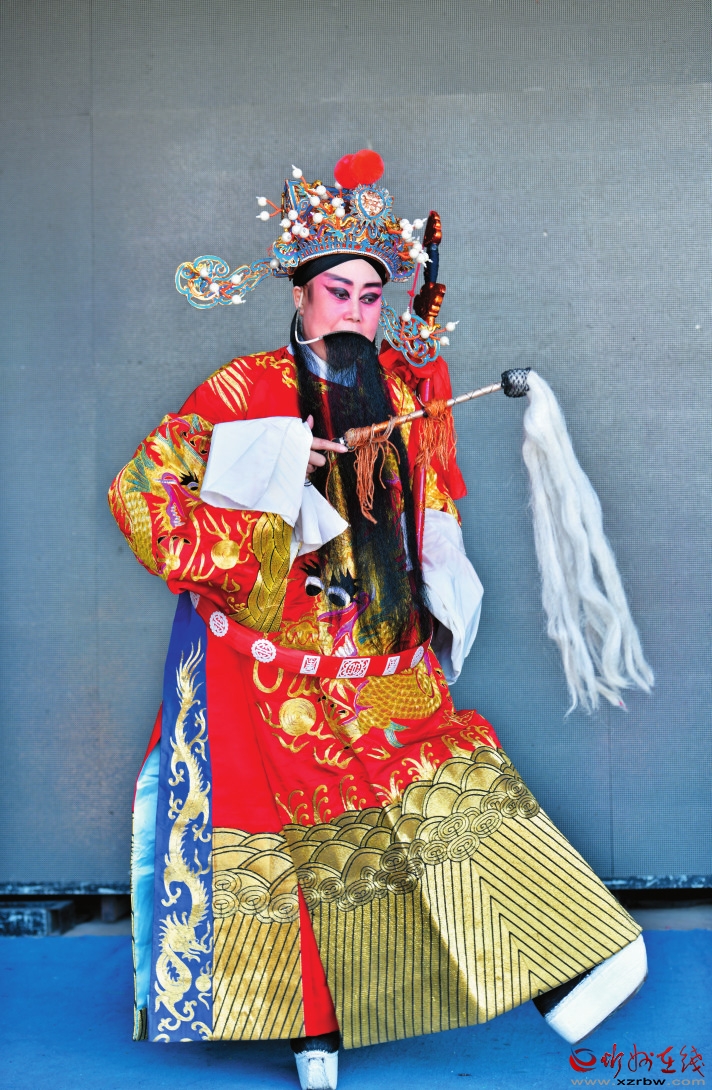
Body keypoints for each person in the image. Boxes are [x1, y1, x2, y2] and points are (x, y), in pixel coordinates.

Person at [109, 152, 648, 1090]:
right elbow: (140, 497)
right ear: (300, 295)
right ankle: (312, 1032)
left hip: (377, 655)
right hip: (261, 668)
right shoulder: (240, 391)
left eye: (369, 296)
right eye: (338, 293)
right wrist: (276, 467)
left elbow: (428, 506)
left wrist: (439, 588)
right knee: (287, 849)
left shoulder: (399, 392)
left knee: (447, 791)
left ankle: (563, 971)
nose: (356, 312)